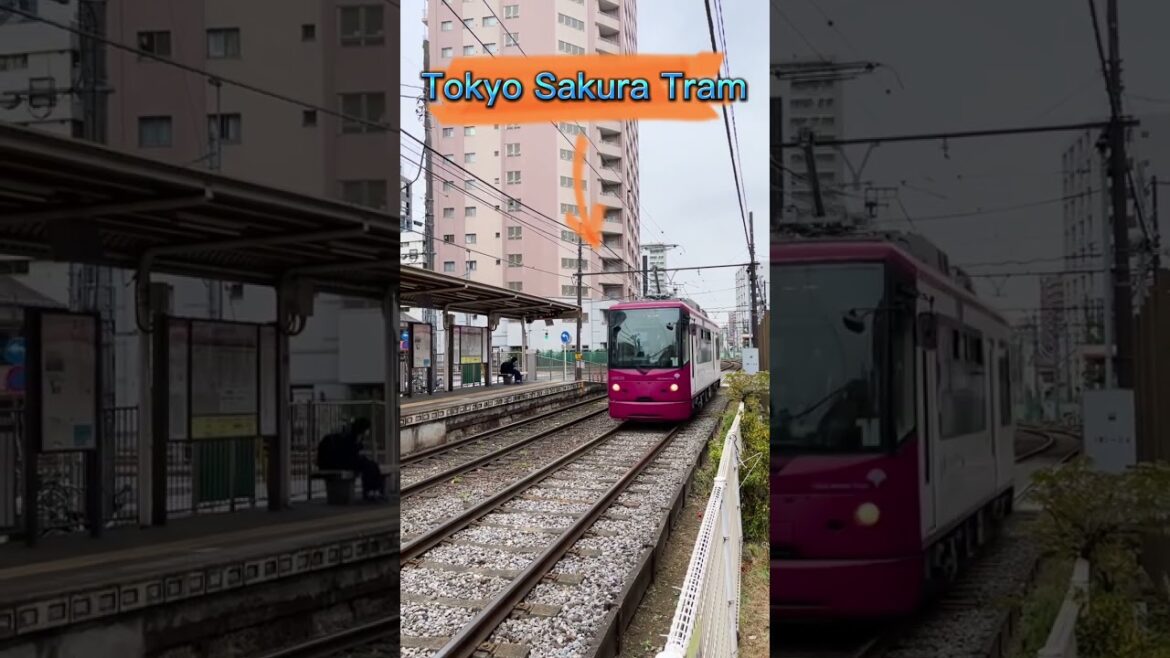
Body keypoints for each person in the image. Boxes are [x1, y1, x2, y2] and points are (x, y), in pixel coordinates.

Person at [315, 417, 385, 502]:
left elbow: (352, 455)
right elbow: (349, 455)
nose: (368, 431)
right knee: (369, 465)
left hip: (344, 461)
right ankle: (372, 491)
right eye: (368, 429)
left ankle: (373, 491)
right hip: (340, 463)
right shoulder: (350, 437)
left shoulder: (354, 437)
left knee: (371, 465)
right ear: (364, 429)